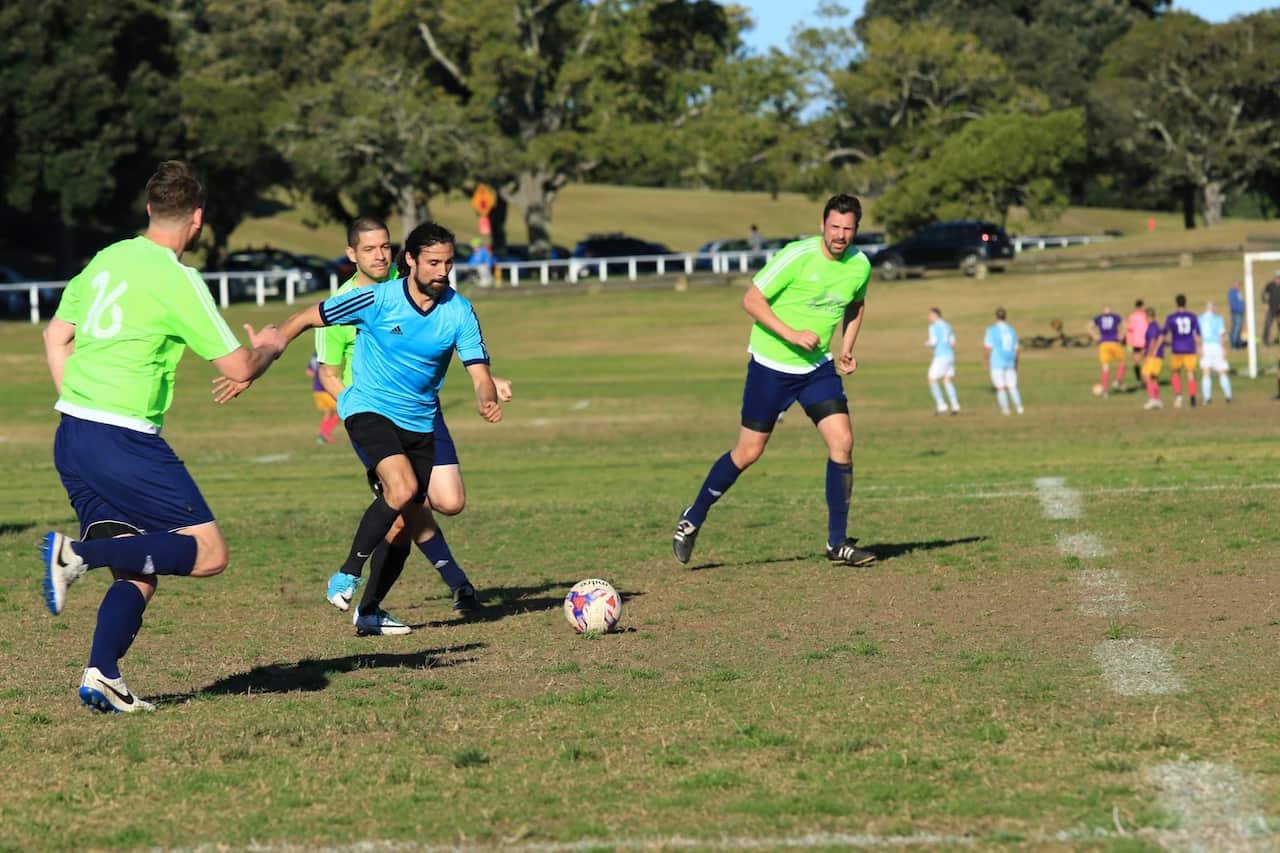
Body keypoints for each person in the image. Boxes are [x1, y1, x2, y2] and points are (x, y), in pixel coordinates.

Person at [39, 160, 288, 713]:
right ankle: (77, 555)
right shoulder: (178, 279)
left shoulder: (108, 258)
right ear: (197, 219)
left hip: (73, 434)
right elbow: (238, 367)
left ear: (150, 209)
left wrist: (83, 405)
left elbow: (56, 336)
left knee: (139, 566)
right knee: (209, 553)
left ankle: (103, 674)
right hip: (123, 438)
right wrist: (270, 347)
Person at [229, 221, 502, 636]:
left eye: (448, 263)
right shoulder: (375, 299)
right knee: (402, 490)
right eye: (433, 263)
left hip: (420, 419)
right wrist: (260, 358)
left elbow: (479, 371)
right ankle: (347, 574)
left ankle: (370, 610)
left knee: (409, 521)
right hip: (368, 408)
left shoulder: (459, 310)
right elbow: (305, 319)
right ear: (412, 261)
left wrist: (487, 394)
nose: (443, 271)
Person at [314, 216, 509, 618]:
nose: (379, 256)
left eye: (385, 246)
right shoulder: (347, 301)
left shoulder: (410, 286)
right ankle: (452, 584)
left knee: (448, 501)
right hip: (372, 414)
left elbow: (438, 340)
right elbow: (328, 374)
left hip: (422, 411)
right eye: (369, 249)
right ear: (351, 254)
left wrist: (487, 381)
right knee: (407, 502)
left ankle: (391, 599)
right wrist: (356, 408)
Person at [672, 194, 873, 568]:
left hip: (817, 369)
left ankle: (837, 542)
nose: (840, 235)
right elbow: (751, 300)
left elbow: (856, 305)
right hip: (771, 367)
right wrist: (792, 334)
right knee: (749, 451)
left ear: (856, 230)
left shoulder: (859, 265)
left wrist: (847, 348)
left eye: (848, 229)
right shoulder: (797, 255)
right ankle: (693, 517)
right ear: (822, 225)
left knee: (842, 442)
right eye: (834, 227)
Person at [1163, 293, 1201, 408]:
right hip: (1190, 348)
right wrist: (1200, 347)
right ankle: (1192, 397)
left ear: (1176, 303)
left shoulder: (1171, 318)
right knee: (1190, 373)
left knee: (1175, 373)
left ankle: (1178, 396)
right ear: (1185, 302)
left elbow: (1164, 333)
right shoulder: (1192, 317)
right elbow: (1197, 334)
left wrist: (1168, 343)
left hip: (1177, 348)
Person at [984, 308, 1022, 415]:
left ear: (996, 317)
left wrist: (986, 360)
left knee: (1000, 387)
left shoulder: (991, 330)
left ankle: (1005, 410)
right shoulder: (1011, 330)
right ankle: (1019, 407)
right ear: (1005, 317)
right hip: (1010, 360)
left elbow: (988, 347)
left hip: (997, 361)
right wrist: (1016, 363)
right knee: (1012, 386)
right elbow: (1017, 349)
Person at [925, 307, 960, 415]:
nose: (928, 317)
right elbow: (952, 342)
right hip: (950, 355)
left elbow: (933, 342)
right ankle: (955, 405)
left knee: (931, 378)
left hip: (941, 356)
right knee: (947, 380)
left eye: (930, 315)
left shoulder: (933, 327)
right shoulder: (948, 325)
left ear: (936, 315)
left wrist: (927, 344)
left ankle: (941, 405)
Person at [1198, 301, 1232, 405]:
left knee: (1206, 373)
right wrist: (1224, 348)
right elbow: (1221, 335)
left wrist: (1199, 347)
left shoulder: (1200, 319)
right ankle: (1228, 396)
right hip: (1216, 346)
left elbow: (1198, 335)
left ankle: (1207, 398)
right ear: (1213, 309)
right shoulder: (1218, 319)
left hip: (1205, 346)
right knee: (1222, 372)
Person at [1091, 305, 1126, 395]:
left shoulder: (1099, 317)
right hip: (1114, 342)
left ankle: (1105, 391)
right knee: (1122, 362)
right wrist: (1122, 334)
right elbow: (1125, 323)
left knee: (1105, 367)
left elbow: (1088, 326)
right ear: (1110, 310)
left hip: (1104, 344)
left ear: (1103, 311)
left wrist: (1095, 336)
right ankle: (1117, 381)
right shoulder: (1115, 316)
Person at [307, 354, 340, 444]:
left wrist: (317, 377)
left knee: (328, 413)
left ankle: (323, 435)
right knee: (340, 411)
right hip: (325, 390)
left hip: (317, 390)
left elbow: (308, 371)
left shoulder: (315, 356)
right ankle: (324, 433)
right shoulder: (326, 354)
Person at [1141, 306, 1165, 411]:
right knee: (1153, 378)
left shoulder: (1152, 326)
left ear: (1148, 316)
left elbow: (1152, 341)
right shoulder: (1155, 325)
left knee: (1145, 375)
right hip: (1158, 356)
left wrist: (1149, 354)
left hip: (1153, 356)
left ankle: (1152, 399)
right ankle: (1158, 399)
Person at [1126, 299, 1149, 386]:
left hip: (1135, 343)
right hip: (1144, 342)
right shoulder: (1145, 316)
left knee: (1137, 363)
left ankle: (1140, 380)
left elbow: (1129, 331)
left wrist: (1129, 344)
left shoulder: (1132, 316)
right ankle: (1144, 380)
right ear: (1142, 306)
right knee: (1146, 362)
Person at [1262, 272, 1280, 346]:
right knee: (1268, 324)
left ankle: (1278, 340)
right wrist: (1265, 302)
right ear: (1275, 278)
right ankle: (1265, 341)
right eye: (1278, 278)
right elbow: (1263, 293)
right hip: (1272, 309)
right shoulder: (1270, 285)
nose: (1278, 279)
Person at [1227, 282, 1245, 349]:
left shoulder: (1238, 292)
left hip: (1240, 312)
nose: (1238, 286)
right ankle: (1234, 344)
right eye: (1237, 284)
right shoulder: (1232, 292)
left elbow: (1241, 301)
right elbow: (1232, 302)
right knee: (1236, 328)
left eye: (1239, 285)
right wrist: (1238, 309)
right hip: (1236, 312)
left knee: (1238, 328)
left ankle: (1238, 343)